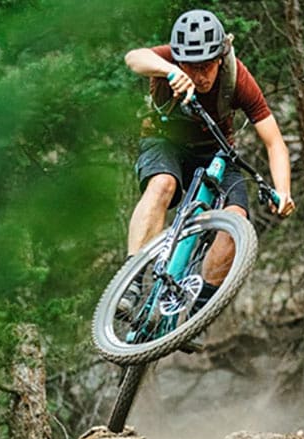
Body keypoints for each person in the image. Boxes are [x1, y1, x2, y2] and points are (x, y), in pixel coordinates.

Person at [119, 9, 294, 316]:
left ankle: (196, 313)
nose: (199, 75)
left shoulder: (237, 77)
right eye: (190, 65)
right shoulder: (169, 60)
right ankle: (131, 279)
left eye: (206, 66)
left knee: (236, 221)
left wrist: (283, 189)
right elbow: (134, 58)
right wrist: (170, 71)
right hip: (164, 141)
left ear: (219, 57)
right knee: (162, 184)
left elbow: (274, 140)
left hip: (216, 152)